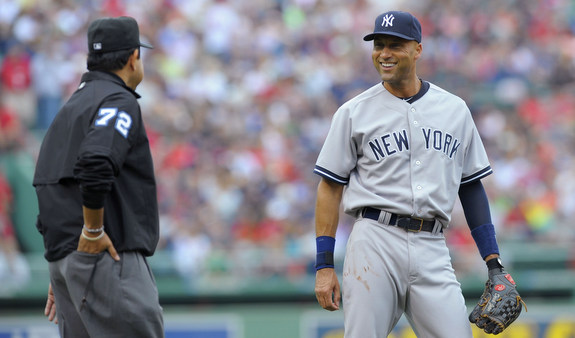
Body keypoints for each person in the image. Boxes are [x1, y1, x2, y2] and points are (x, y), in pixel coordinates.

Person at [313, 11, 521, 337]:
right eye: (379, 45)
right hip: (374, 240)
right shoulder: (353, 112)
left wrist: (493, 261)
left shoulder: (454, 110)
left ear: (417, 50)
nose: (384, 53)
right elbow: (329, 187)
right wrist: (324, 265)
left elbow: (470, 187)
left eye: (395, 45)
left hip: (432, 245)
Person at [33, 16, 164, 337]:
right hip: (108, 258)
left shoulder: (72, 106)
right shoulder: (116, 100)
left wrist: (66, 259)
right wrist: (91, 231)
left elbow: (48, 183)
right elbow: (95, 162)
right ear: (133, 58)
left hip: (70, 262)